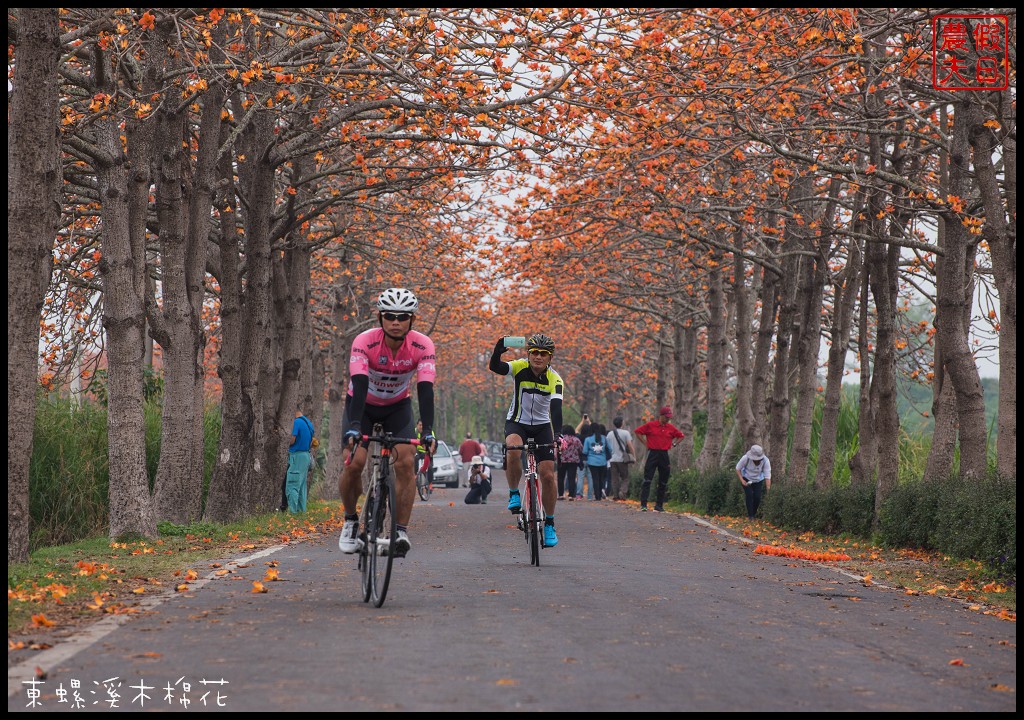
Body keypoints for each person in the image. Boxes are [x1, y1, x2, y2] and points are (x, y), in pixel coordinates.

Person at [337, 288, 436, 558]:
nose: (395, 321)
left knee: (406, 462)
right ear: (380, 317)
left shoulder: (422, 345)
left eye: (402, 316)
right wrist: (355, 425)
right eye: (389, 316)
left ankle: (400, 531)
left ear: (411, 320)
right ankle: (349, 521)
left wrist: (427, 431)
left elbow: (425, 389)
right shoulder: (364, 341)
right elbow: (359, 383)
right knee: (355, 462)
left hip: (397, 408)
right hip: (361, 405)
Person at [489, 333, 564, 547]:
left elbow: (556, 409)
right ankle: (514, 493)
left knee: (548, 475)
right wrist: (497, 351)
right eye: (534, 353)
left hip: (542, 427)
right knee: (513, 448)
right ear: (528, 354)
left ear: (550, 358)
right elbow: (496, 368)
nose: (538, 357)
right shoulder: (520, 367)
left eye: (543, 354)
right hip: (517, 422)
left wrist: (557, 434)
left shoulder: (555, 379)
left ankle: (549, 523)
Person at [633, 406, 685, 512]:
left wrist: (674, 443)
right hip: (652, 454)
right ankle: (643, 504)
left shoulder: (670, 427)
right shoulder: (651, 425)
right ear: (661, 416)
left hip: (664, 455)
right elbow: (637, 432)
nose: (668, 419)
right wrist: (645, 443)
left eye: (669, 417)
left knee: (663, 481)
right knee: (647, 480)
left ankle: (659, 505)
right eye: (666, 417)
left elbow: (681, 436)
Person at [285, 409, 315, 513]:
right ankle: (302, 511)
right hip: (306, 456)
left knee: (292, 485)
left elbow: (292, 440)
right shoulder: (309, 423)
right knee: (302, 486)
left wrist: (284, 442)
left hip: (296, 456)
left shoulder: (296, 422)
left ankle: (293, 512)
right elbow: (311, 442)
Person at [736, 444, 772, 521]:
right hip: (746, 478)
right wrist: (742, 480)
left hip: (758, 480)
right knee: (749, 494)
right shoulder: (745, 458)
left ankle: (753, 513)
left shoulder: (766, 461)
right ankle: (751, 516)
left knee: (757, 497)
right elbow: (738, 468)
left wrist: (768, 489)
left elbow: (767, 476)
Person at [606, 416, 636, 501]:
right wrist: (633, 455)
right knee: (625, 477)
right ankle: (622, 492)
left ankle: (615, 495)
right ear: (622, 423)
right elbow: (630, 445)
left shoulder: (610, 434)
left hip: (612, 459)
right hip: (622, 459)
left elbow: (607, 446)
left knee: (614, 478)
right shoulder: (626, 433)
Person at [582, 423, 611, 500]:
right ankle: (601, 492)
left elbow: (584, 451)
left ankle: (597, 496)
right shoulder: (604, 438)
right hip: (603, 461)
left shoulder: (588, 439)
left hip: (592, 462)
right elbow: (610, 449)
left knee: (595, 478)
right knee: (601, 478)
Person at [556, 424, 583, 500]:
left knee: (561, 478)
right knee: (572, 478)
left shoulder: (560, 440)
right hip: (573, 461)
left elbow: (556, 450)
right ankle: (571, 495)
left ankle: (561, 494)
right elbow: (581, 449)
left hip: (562, 461)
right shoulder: (576, 440)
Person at [414, 418, 436, 491]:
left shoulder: (429, 432)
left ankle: (430, 483)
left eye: (422, 425)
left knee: (430, 467)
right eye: (420, 425)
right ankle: (415, 475)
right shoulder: (414, 432)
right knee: (415, 457)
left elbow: (433, 442)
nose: (421, 427)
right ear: (417, 425)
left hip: (426, 450)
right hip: (418, 450)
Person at [575, 414, 593, 499]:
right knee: (590, 478)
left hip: (581, 460)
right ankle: (590, 496)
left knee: (580, 478)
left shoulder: (579, 437)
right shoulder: (592, 438)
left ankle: (579, 494)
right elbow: (593, 429)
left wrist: (582, 421)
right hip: (591, 459)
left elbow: (576, 430)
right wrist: (589, 422)